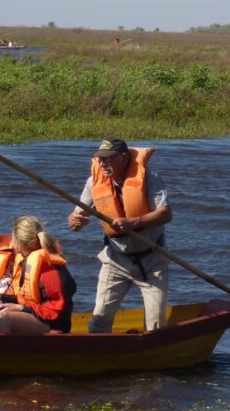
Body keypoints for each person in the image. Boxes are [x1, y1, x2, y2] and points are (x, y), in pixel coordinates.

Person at [67, 137, 173, 333]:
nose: (103, 163)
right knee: (98, 322)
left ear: (124, 158)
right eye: (100, 159)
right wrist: (75, 221)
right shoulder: (94, 182)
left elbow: (165, 214)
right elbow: (76, 217)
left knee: (156, 326)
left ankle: (153, 356)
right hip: (115, 260)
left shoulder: (150, 178)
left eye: (109, 158)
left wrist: (134, 222)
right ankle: (100, 354)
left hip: (152, 260)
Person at [0, 215, 76, 334]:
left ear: (19, 242)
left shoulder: (49, 268)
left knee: (3, 320)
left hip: (53, 322)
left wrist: (21, 308)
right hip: (33, 312)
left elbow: (57, 309)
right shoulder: (24, 259)